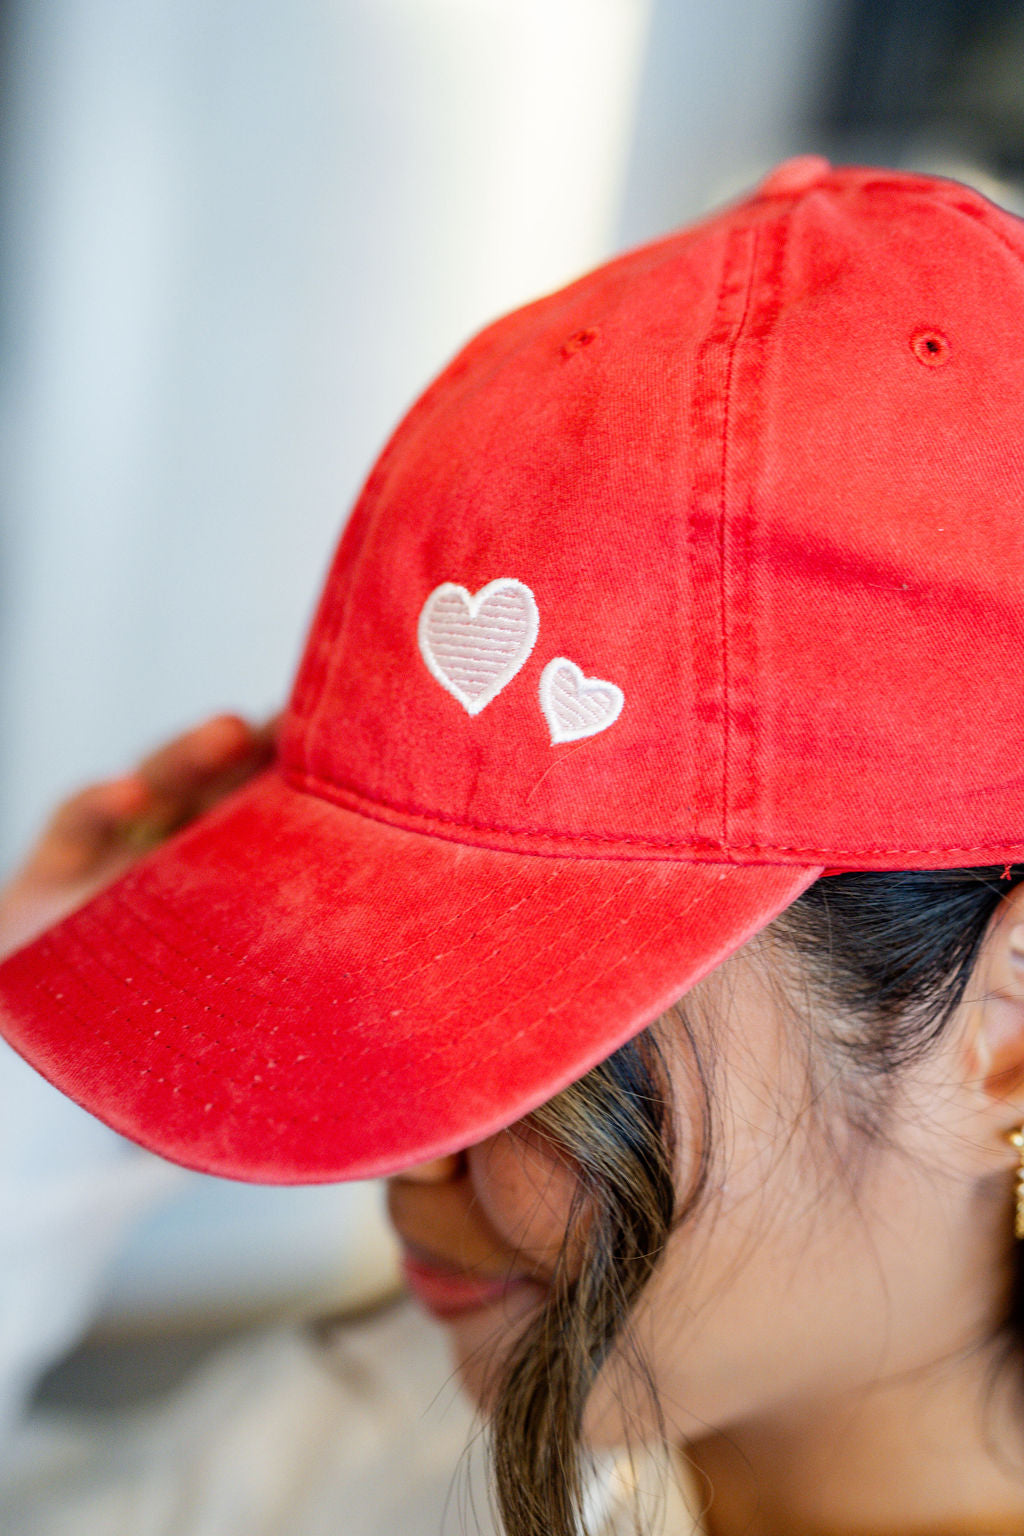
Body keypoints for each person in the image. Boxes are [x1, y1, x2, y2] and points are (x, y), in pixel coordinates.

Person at [3, 155, 1024, 1536]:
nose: (400, 1151)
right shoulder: (355, 1434)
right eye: (387, 972)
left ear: (1006, 1031)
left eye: (540, 1020)